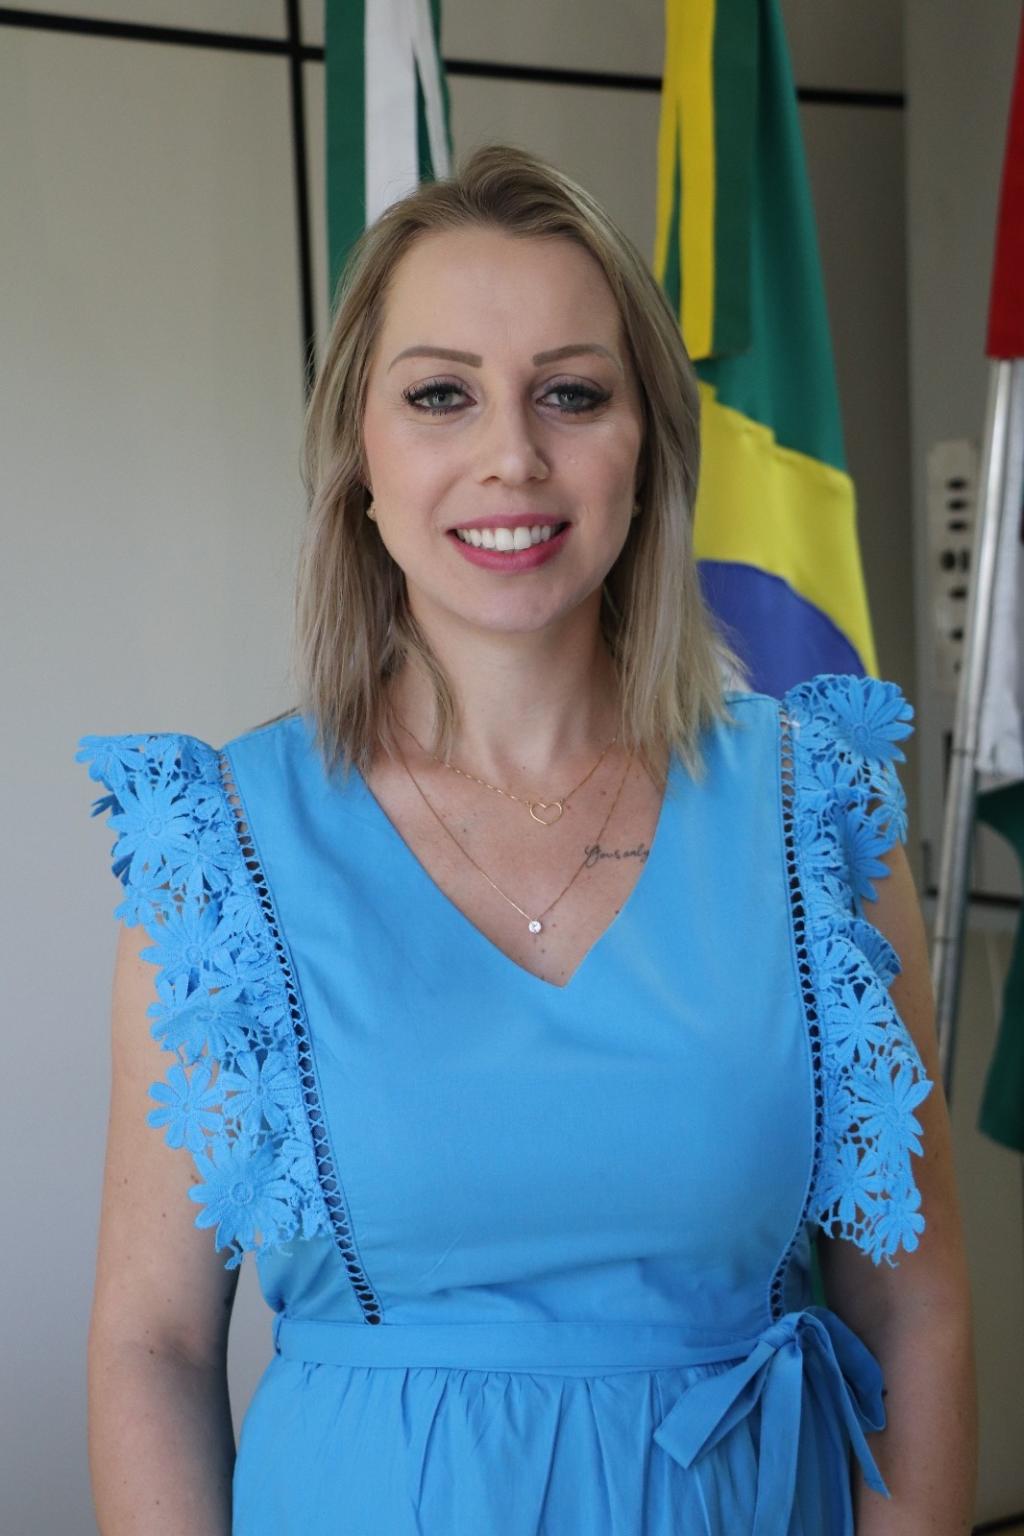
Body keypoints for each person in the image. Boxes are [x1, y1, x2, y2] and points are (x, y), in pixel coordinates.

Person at [77, 143, 976, 1535]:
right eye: (441, 394)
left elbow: (912, 1310)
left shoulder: (821, 816)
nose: (512, 454)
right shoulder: (220, 847)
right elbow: (155, 1346)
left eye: (573, 392)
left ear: (648, 450)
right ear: (359, 459)